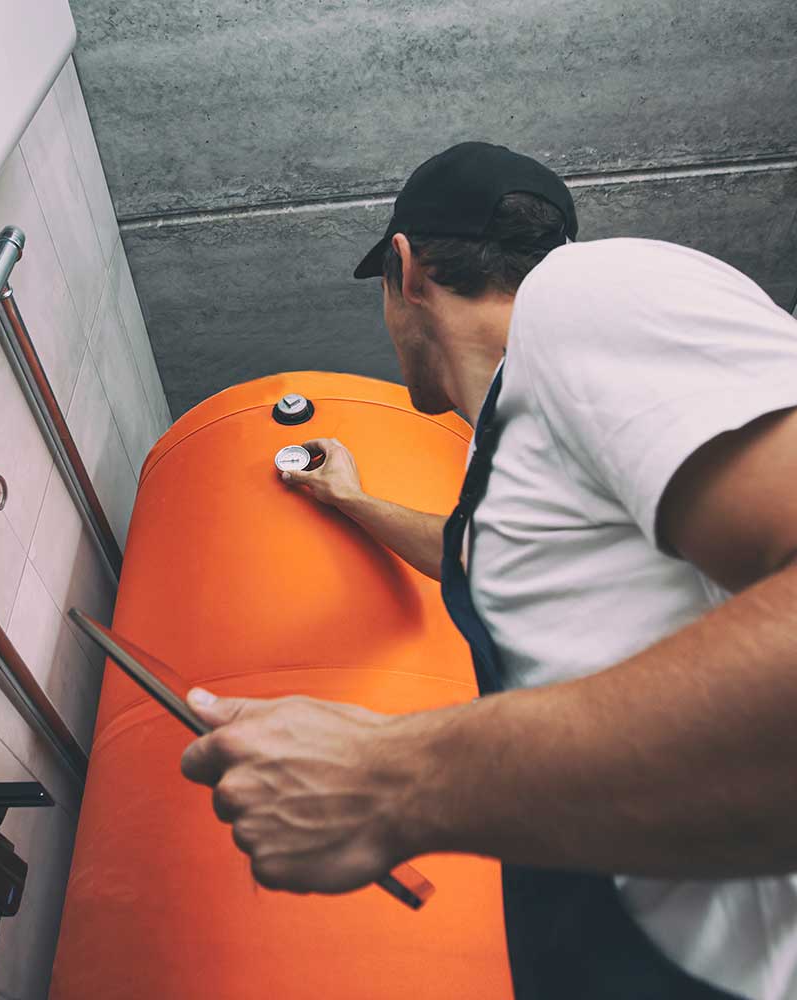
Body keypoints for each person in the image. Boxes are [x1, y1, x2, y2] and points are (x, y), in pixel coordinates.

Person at [179, 141, 797, 999]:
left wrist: (390, 774)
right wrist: (352, 500)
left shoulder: (587, 294)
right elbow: (483, 557)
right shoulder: (512, 446)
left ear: (405, 269)